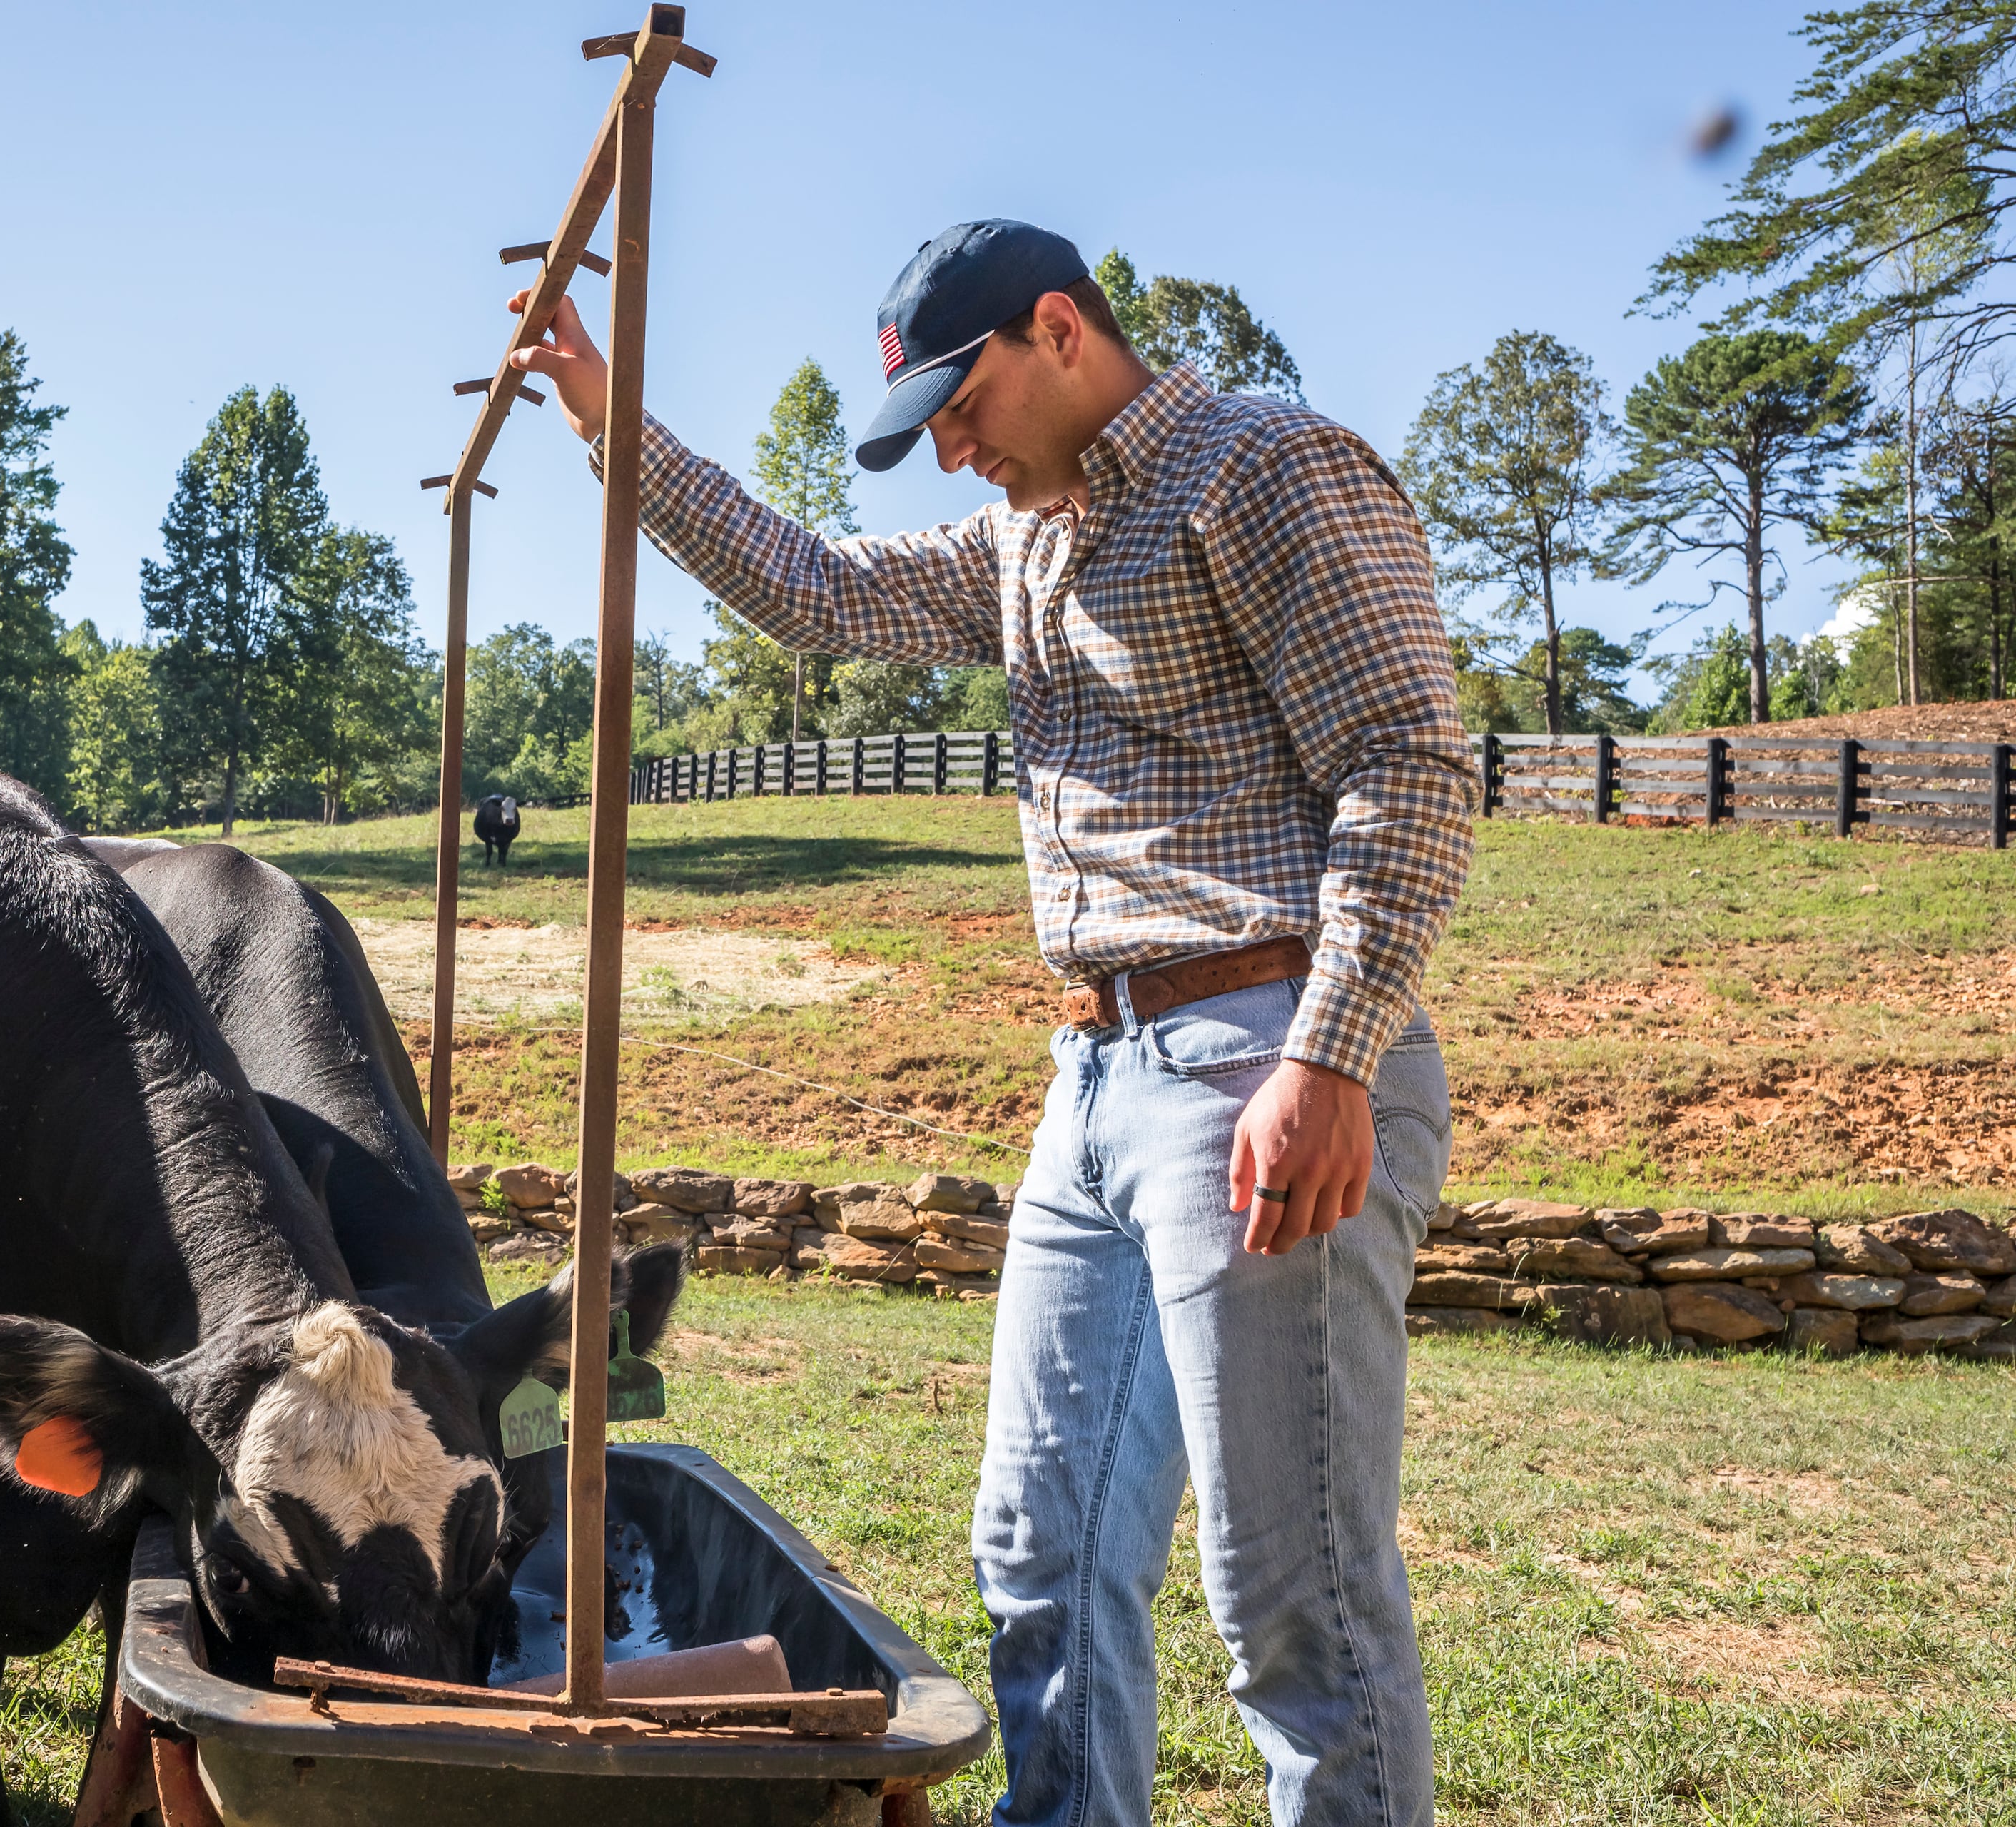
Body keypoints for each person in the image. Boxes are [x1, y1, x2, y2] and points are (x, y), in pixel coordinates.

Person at [511, 219, 1474, 1827]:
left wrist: (1329, 1052)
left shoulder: (1268, 470)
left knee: (1293, 1595)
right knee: (1041, 1555)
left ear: (1060, 330)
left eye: (963, 405)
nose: (950, 450)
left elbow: (1411, 766)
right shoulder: (1027, 538)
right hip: (1094, 1080)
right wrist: (614, 419)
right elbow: (813, 590)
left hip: (1264, 1045)